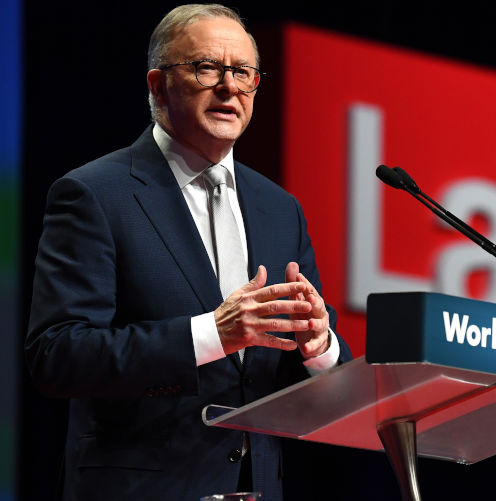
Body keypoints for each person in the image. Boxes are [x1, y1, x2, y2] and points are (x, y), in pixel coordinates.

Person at [25, 4, 352, 500]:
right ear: (158, 85)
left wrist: (319, 347)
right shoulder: (94, 194)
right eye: (206, 68)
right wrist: (211, 334)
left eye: (243, 73)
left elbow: (306, 377)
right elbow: (58, 355)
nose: (229, 87)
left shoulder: (280, 208)